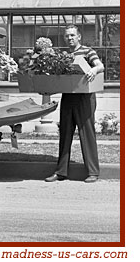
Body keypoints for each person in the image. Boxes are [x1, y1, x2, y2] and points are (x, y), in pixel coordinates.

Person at [45, 25, 104, 183]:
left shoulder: (88, 51)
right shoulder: (63, 55)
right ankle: (61, 172)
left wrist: (94, 70)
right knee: (65, 134)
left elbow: (100, 65)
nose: (69, 38)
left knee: (87, 134)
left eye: (72, 35)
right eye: (67, 36)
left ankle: (93, 172)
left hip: (85, 98)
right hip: (68, 97)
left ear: (79, 37)